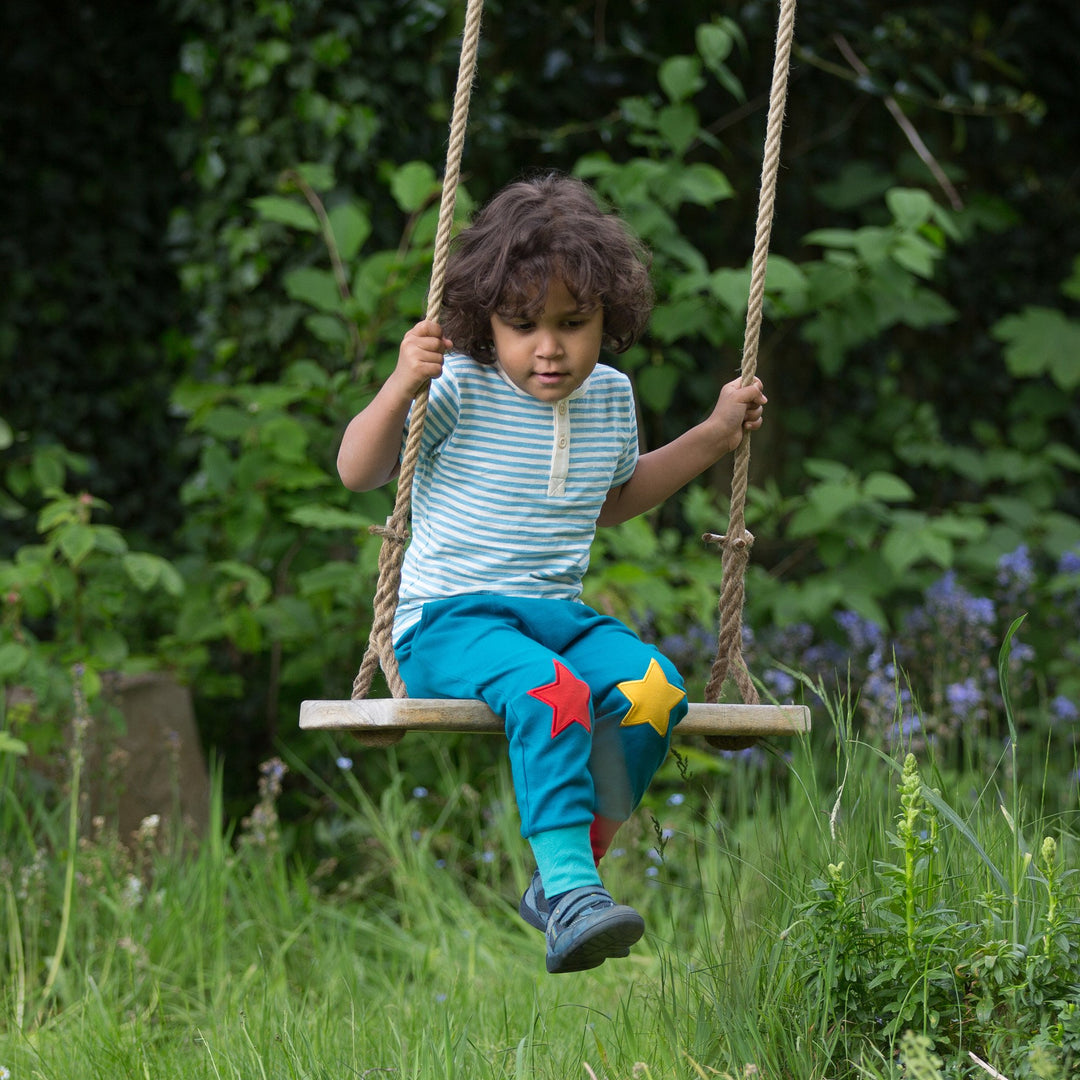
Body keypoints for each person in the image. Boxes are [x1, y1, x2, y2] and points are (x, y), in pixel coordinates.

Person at [337, 172, 766, 974]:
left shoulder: (609, 396)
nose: (550, 348)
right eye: (523, 325)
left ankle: (568, 878)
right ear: (483, 323)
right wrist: (402, 380)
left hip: (555, 617)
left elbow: (612, 501)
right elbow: (358, 471)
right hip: (448, 623)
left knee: (656, 689)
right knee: (554, 692)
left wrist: (712, 436)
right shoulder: (455, 386)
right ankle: (573, 888)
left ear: (610, 318)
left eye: (574, 324)